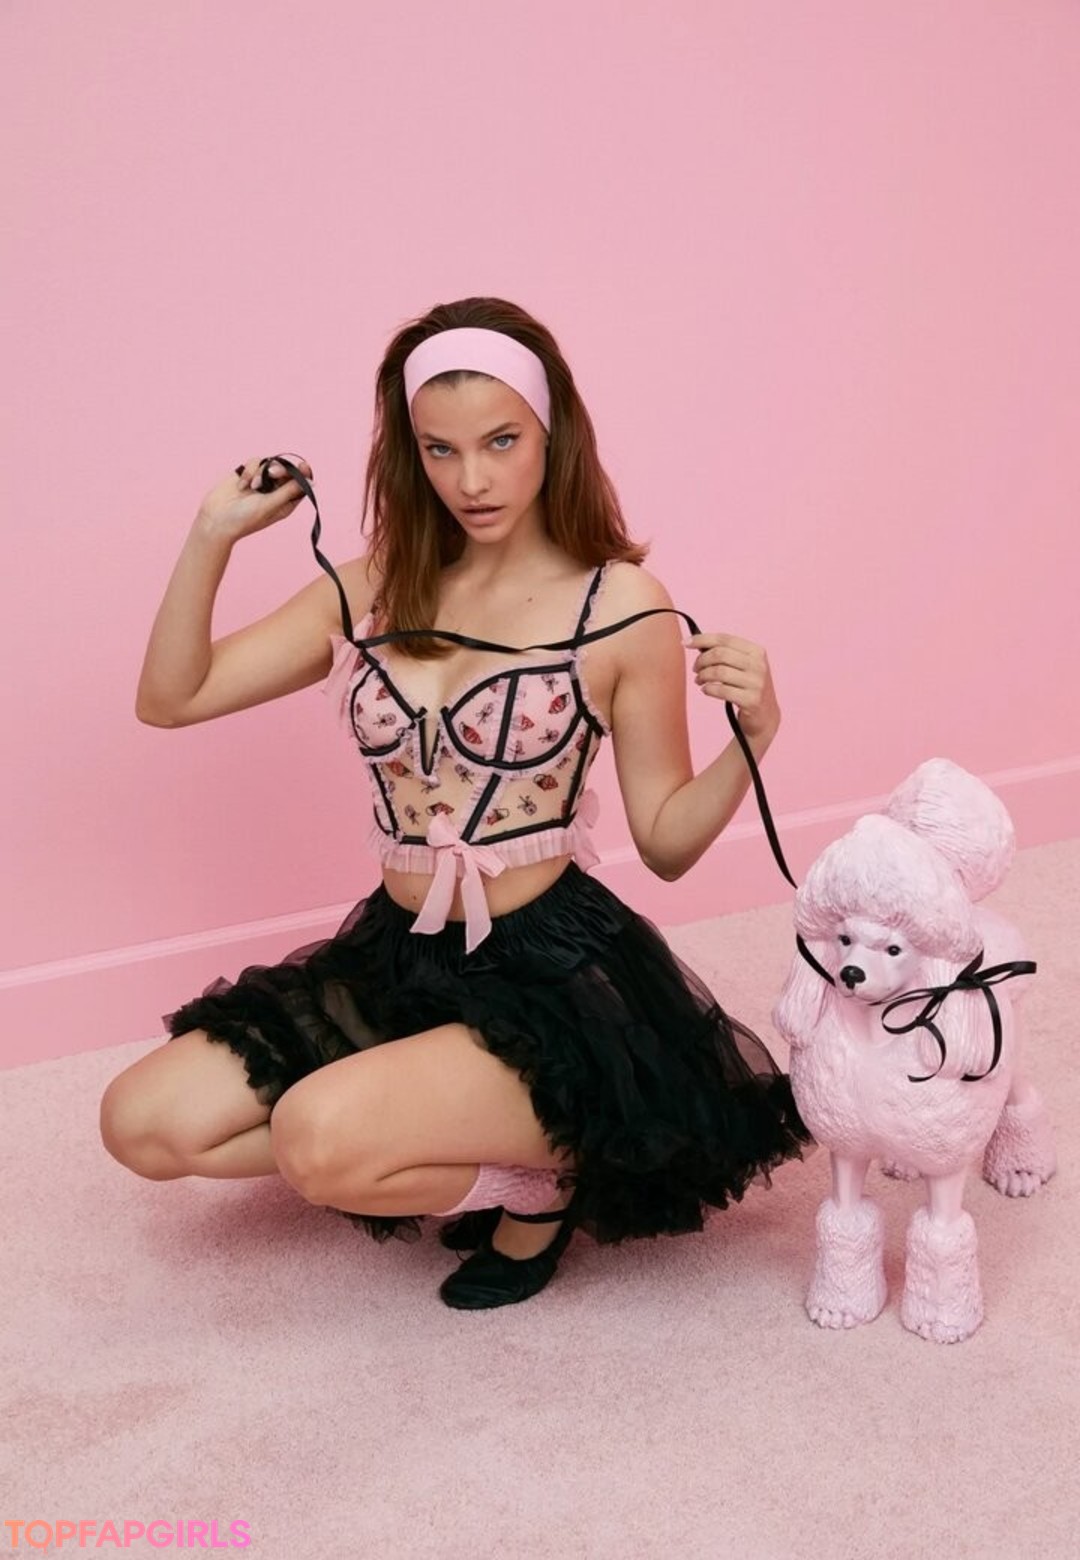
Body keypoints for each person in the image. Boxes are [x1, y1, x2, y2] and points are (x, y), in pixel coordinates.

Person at [100, 296, 810, 1310]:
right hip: (400, 952)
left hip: (548, 970)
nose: (471, 480)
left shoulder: (619, 608)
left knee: (316, 1139)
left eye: (500, 442)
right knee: (143, 1125)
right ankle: (471, 1140)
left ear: (552, 435)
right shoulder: (375, 586)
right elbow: (172, 698)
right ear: (411, 453)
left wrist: (756, 733)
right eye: (440, 450)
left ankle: (541, 1189)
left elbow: (666, 841)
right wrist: (212, 535)